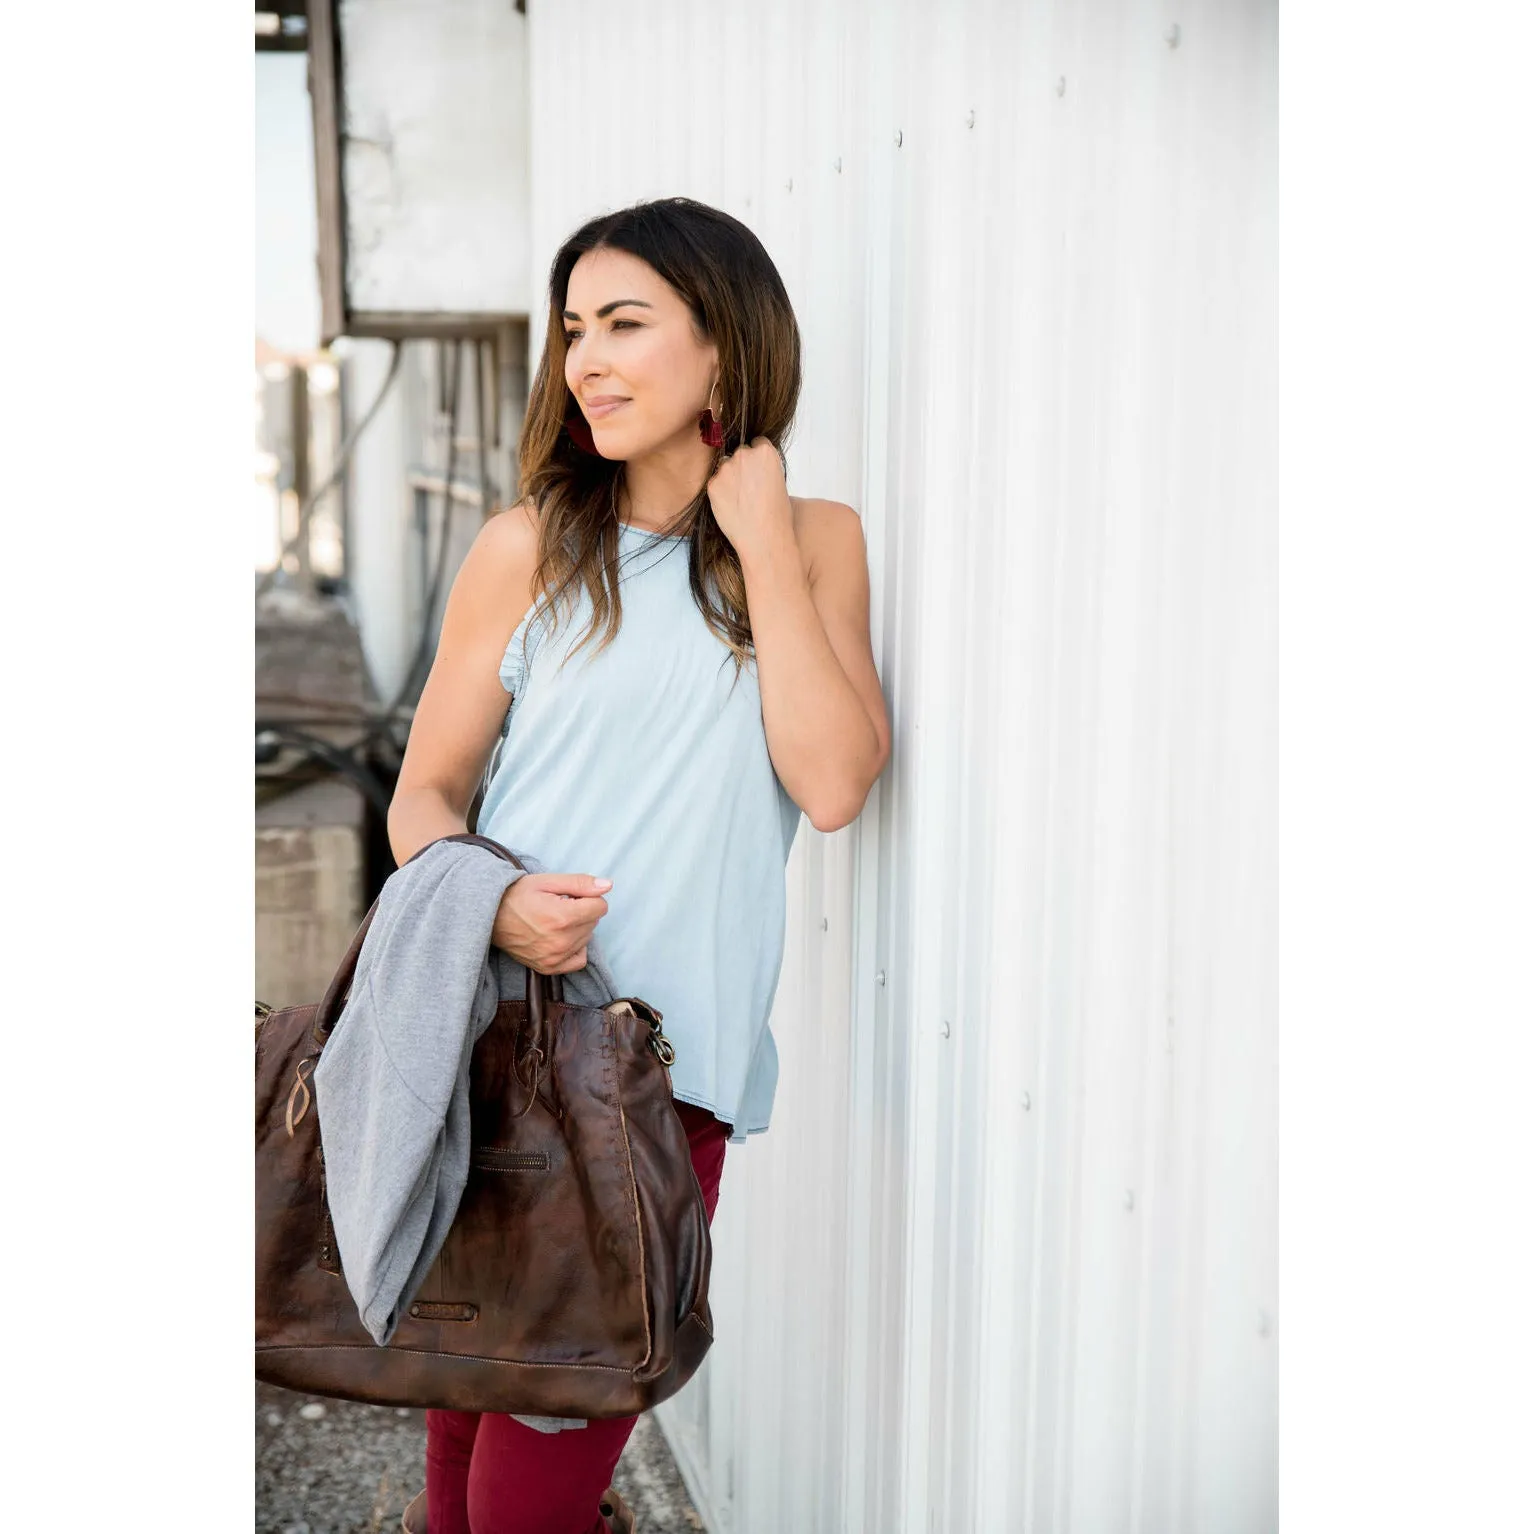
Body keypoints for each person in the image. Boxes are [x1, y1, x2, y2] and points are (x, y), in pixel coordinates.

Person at [385, 196, 891, 1534]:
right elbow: (425, 794)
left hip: (659, 1084)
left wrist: (763, 537)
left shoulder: (816, 542)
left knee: (536, 1472)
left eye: (623, 324)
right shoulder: (528, 547)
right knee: (462, 1411)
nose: (585, 361)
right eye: (571, 331)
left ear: (722, 346)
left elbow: (834, 782)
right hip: (485, 1040)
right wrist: (490, 896)